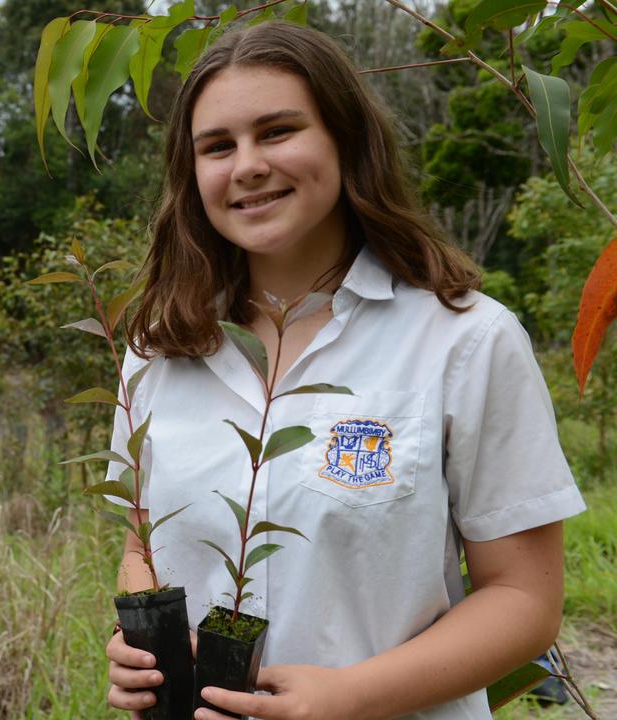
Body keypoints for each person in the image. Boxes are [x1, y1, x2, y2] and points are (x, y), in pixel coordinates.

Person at [104, 21, 585, 720]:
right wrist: (133, 642)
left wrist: (349, 697)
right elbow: (143, 538)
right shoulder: (157, 348)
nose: (246, 166)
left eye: (277, 131)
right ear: (191, 173)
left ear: (346, 139)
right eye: (217, 146)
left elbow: (524, 602)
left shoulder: (465, 341)